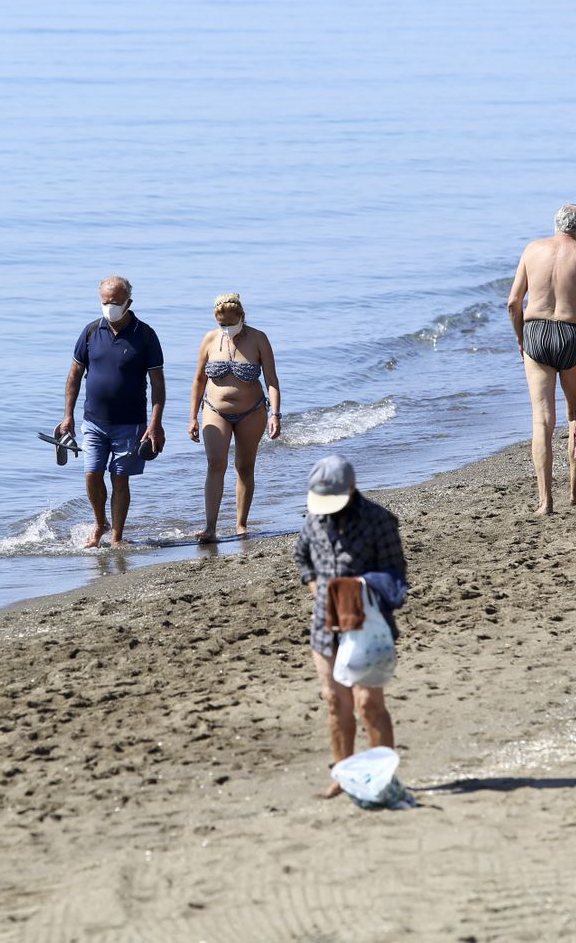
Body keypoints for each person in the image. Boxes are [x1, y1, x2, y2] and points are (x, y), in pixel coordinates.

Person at [292, 455, 409, 798]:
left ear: (352, 488)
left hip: (367, 628)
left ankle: (382, 779)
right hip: (323, 627)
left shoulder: (379, 520)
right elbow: (301, 556)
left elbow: (396, 578)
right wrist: (315, 587)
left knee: (368, 704)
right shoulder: (314, 520)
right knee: (334, 701)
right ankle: (343, 776)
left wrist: (358, 590)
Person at [506, 203, 576, 516]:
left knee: (542, 419)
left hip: (536, 334)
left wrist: (521, 338)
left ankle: (544, 501)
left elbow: (513, 303)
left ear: (555, 225)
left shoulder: (531, 250)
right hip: (573, 336)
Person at [56, 276, 165, 547]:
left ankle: (116, 536)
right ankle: (100, 523)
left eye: (115, 303)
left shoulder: (145, 335)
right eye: (105, 302)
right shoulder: (91, 332)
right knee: (92, 474)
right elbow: (74, 376)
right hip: (93, 421)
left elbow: (158, 384)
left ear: (129, 302)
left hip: (130, 424)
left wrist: (155, 423)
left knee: (120, 480)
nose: (109, 307)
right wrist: (67, 415)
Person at [186, 292, 282, 542]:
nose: (227, 328)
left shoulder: (259, 339)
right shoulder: (209, 339)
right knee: (215, 463)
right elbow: (198, 380)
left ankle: (241, 524)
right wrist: (193, 417)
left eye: (231, 323)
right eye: (222, 324)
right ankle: (210, 528)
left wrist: (275, 414)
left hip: (252, 412)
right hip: (214, 411)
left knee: (244, 467)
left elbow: (271, 380)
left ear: (242, 317)